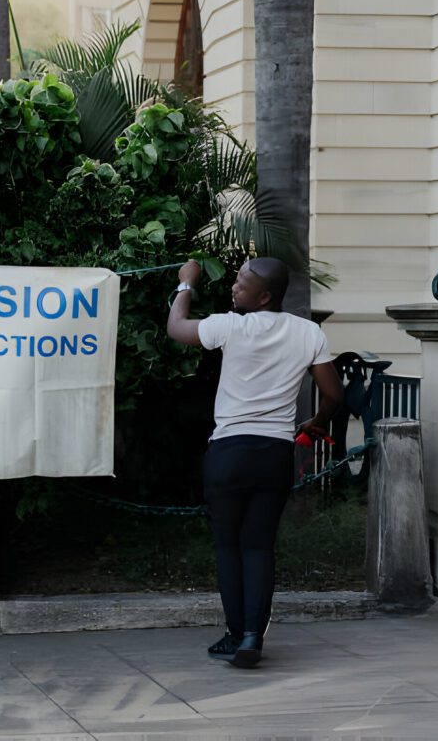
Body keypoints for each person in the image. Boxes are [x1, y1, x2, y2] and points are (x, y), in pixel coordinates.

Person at [167, 257, 343, 668]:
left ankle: (234, 635)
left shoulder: (230, 326)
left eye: (242, 284)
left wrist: (185, 285)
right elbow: (334, 394)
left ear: (264, 296)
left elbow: (177, 327)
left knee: (229, 546)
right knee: (259, 546)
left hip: (228, 451)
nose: (233, 287)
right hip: (274, 454)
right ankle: (251, 637)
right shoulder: (308, 332)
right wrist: (315, 424)